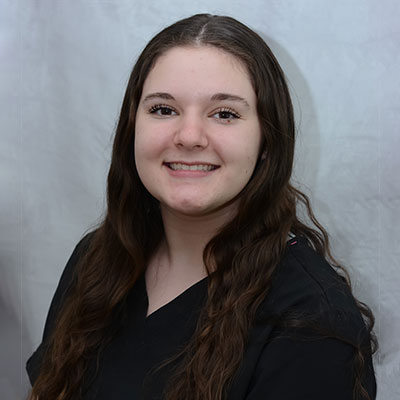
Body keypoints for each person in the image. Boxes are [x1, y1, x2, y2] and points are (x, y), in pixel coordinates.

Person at [26, 14, 377, 400]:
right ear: (132, 127)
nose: (190, 136)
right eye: (164, 109)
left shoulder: (313, 322)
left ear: (267, 141)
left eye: (224, 114)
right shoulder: (95, 260)